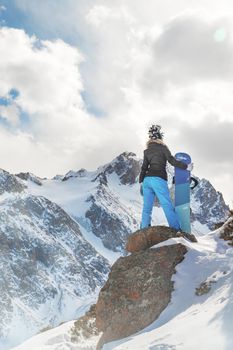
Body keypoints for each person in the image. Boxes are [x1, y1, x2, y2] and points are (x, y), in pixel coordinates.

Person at [139, 125, 193, 230]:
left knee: (146, 208)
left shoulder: (147, 151)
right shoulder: (163, 148)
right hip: (158, 179)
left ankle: (144, 228)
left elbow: (144, 167)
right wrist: (186, 167)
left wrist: (141, 181)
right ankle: (176, 228)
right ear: (160, 137)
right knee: (166, 205)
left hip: (147, 180)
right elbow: (172, 161)